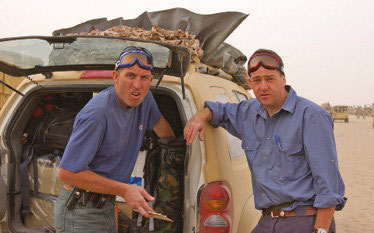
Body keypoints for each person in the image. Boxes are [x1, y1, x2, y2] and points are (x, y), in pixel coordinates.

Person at [184, 49, 345, 233]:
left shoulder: (311, 116)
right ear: (250, 83)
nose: (263, 87)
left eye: (270, 79)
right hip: (268, 221)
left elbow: (329, 187)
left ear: (283, 80)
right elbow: (220, 111)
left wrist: (321, 230)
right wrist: (201, 116)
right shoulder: (248, 112)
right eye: (257, 80)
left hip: (303, 220)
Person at [54, 46, 175, 233]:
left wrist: (177, 152)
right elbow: (67, 173)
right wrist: (125, 190)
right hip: (80, 212)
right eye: (130, 76)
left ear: (150, 80)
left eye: (144, 78)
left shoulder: (145, 99)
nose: (137, 85)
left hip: (107, 206)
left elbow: (162, 128)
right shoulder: (97, 114)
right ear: (116, 77)